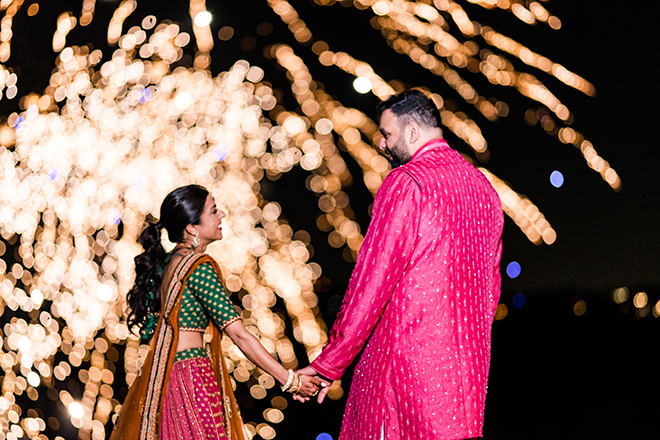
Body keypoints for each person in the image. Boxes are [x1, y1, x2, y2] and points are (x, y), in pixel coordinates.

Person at [298, 90, 504, 439]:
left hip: (404, 376)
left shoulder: (408, 182)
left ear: (411, 132)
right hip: (465, 379)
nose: (382, 144)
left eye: (387, 134)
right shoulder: (485, 190)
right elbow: (490, 290)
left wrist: (329, 363)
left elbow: (372, 283)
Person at [110, 184, 322, 440]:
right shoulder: (198, 268)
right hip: (191, 377)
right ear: (192, 228)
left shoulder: (169, 263)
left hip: (169, 377)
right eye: (213, 211)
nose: (222, 215)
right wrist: (289, 380)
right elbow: (239, 335)